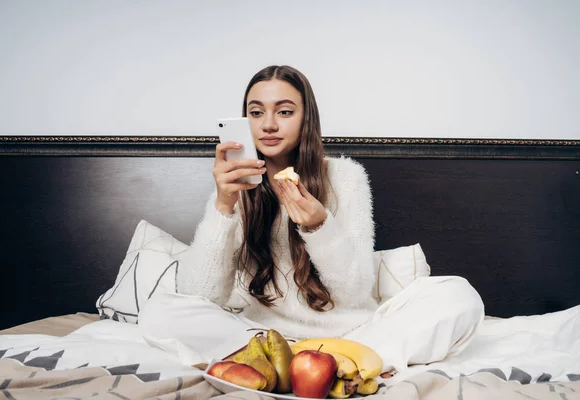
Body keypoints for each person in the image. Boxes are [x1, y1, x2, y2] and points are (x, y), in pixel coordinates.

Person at [138, 65, 485, 375]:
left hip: (352, 335)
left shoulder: (346, 177)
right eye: (256, 113)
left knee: (458, 296)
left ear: (306, 118)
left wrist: (320, 228)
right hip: (264, 338)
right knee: (159, 310)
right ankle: (287, 364)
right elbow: (201, 296)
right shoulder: (236, 186)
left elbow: (353, 294)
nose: (269, 124)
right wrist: (223, 206)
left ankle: (344, 363)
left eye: (285, 111)